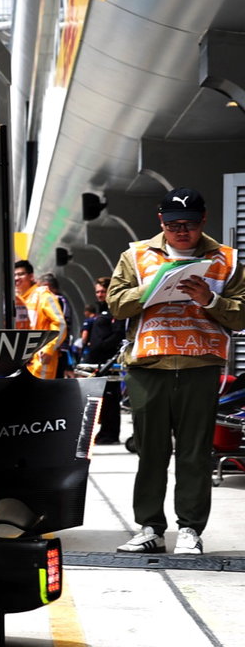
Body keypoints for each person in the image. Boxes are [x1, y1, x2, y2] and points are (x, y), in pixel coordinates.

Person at [108, 188, 245, 555]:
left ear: (204, 220)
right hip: (148, 365)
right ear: (161, 221)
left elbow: (241, 315)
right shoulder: (136, 255)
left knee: (194, 454)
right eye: (173, 225)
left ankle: (190, 529)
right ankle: (150, 527)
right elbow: (116, 305)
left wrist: (209, 299)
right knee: (150, 452)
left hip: (200, 365)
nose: (181, 231)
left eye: (189, 224)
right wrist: (151, 289)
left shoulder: (226, 260)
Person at [81, 276, 127, 445]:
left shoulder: (116, 310)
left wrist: (102, 346)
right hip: (98, 362)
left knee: (111, 398)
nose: (100, 295)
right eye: (98, 292)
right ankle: (104, 432)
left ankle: (111, 434)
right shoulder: (101, 311)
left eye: (103, 291)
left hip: (108, 363)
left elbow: (119, 333)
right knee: (103, 399)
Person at [14, 260, 64, 378]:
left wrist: (49, 349)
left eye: (21, 274)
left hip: (40, 362)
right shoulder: (17, 299)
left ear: (31, 276)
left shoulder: (43, 295)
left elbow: (60, 324)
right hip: (22, 362)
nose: (16, 278)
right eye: (14, 275)